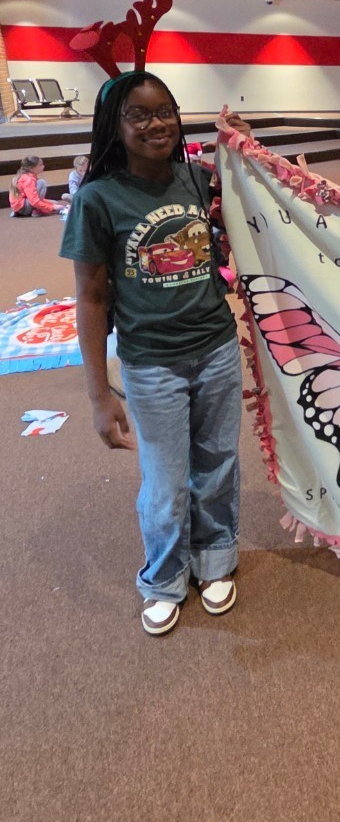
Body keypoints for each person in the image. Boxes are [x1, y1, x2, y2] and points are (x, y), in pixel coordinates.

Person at [59, 69, 251, 636]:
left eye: (164, 110)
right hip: (150, 363)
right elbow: (91, 299)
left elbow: (250, 220)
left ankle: (216, 557)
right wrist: (99, 395)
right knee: (166, 481)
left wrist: (243, 152)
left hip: (216, 347)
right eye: (138, 115)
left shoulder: (196, 180)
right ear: (114, 127)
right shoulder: (97, 199)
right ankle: (165, 576)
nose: (155, 123)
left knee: (218, 464)